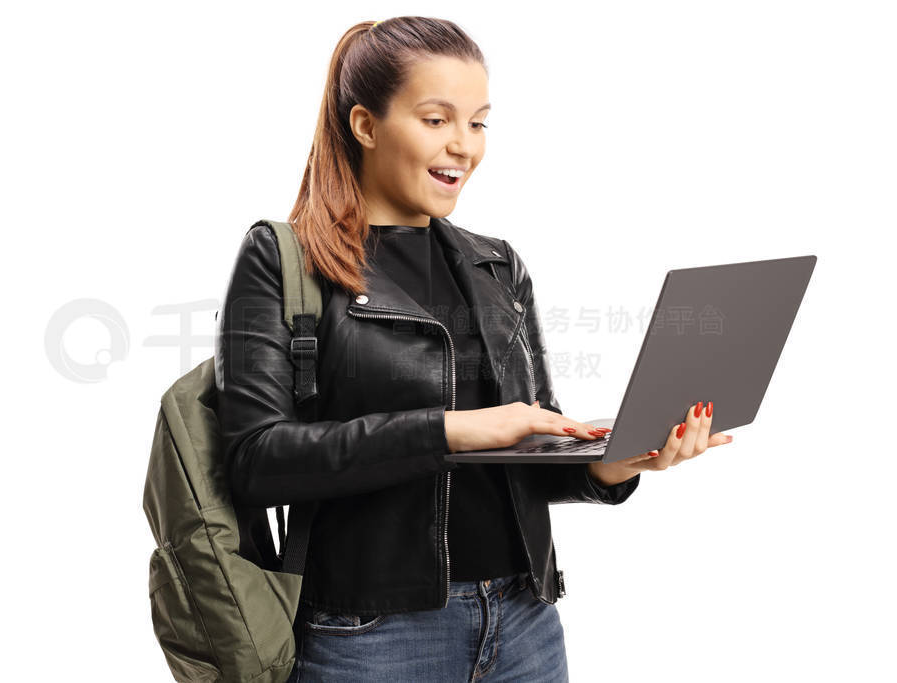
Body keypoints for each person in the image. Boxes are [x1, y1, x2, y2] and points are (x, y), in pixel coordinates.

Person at [216, 16, 733, 682]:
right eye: (437, 120)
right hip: (371, 636)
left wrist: (613, 463)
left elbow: (531, 454)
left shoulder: (496, 265)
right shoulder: (284, 259)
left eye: (479, 122)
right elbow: (256, 463)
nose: (463, 145)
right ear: (366, 126)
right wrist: (452, 430)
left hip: (523, 619)